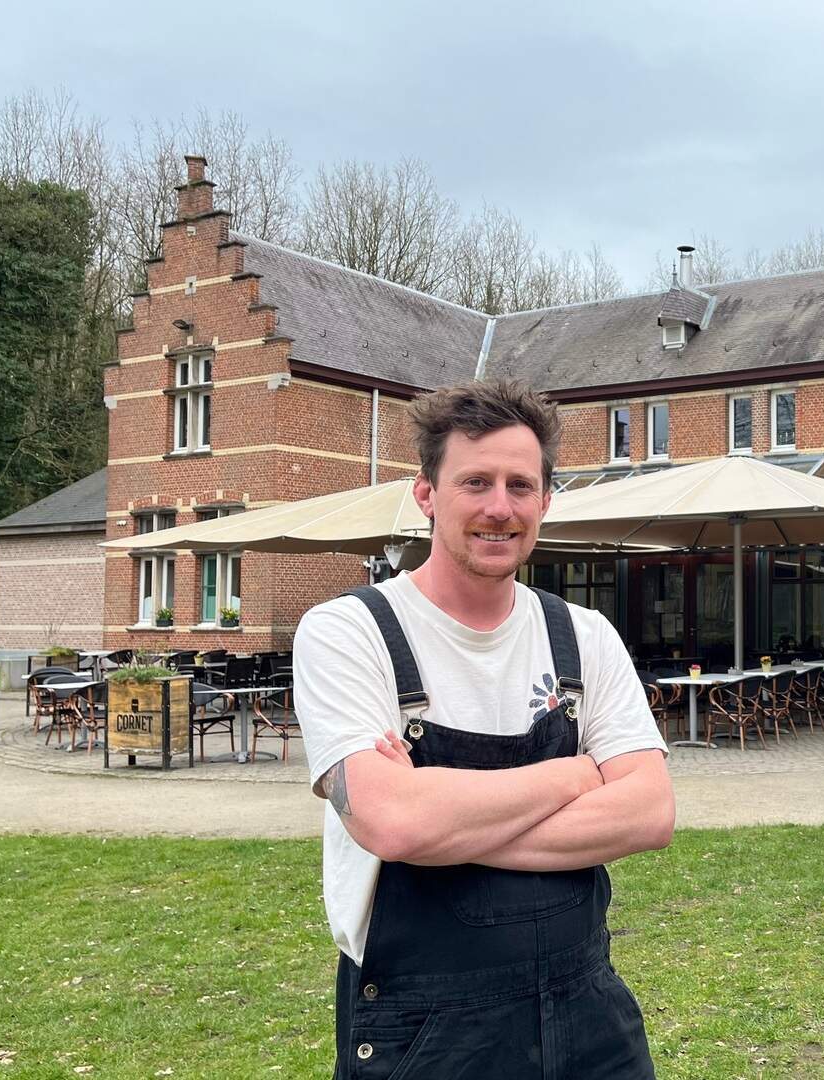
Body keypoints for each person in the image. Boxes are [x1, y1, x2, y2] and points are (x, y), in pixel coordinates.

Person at [294, 378, 673, 1080]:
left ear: (545, 500)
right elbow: (393, 823)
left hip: (589, 1016)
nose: (500, 507)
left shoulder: (585, 635)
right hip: (425, 1030)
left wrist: (444, 823)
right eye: (475, 482)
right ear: (426, 493)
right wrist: (572, 775)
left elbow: (649, 813)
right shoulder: (348, 632)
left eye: (520, 485)